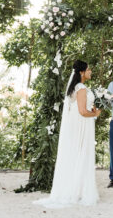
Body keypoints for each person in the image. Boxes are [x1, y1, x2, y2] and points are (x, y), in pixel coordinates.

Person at [34, 60, 101, 208]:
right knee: (82, 154)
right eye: (89, 69)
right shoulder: (81, 88)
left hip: (75, 126)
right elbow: (83, 112)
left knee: (75, 155)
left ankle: (73, 189)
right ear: (82, 72)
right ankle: (80, 191)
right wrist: (96, 113)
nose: (90, 72)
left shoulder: (73, 88)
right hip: (83, 126)